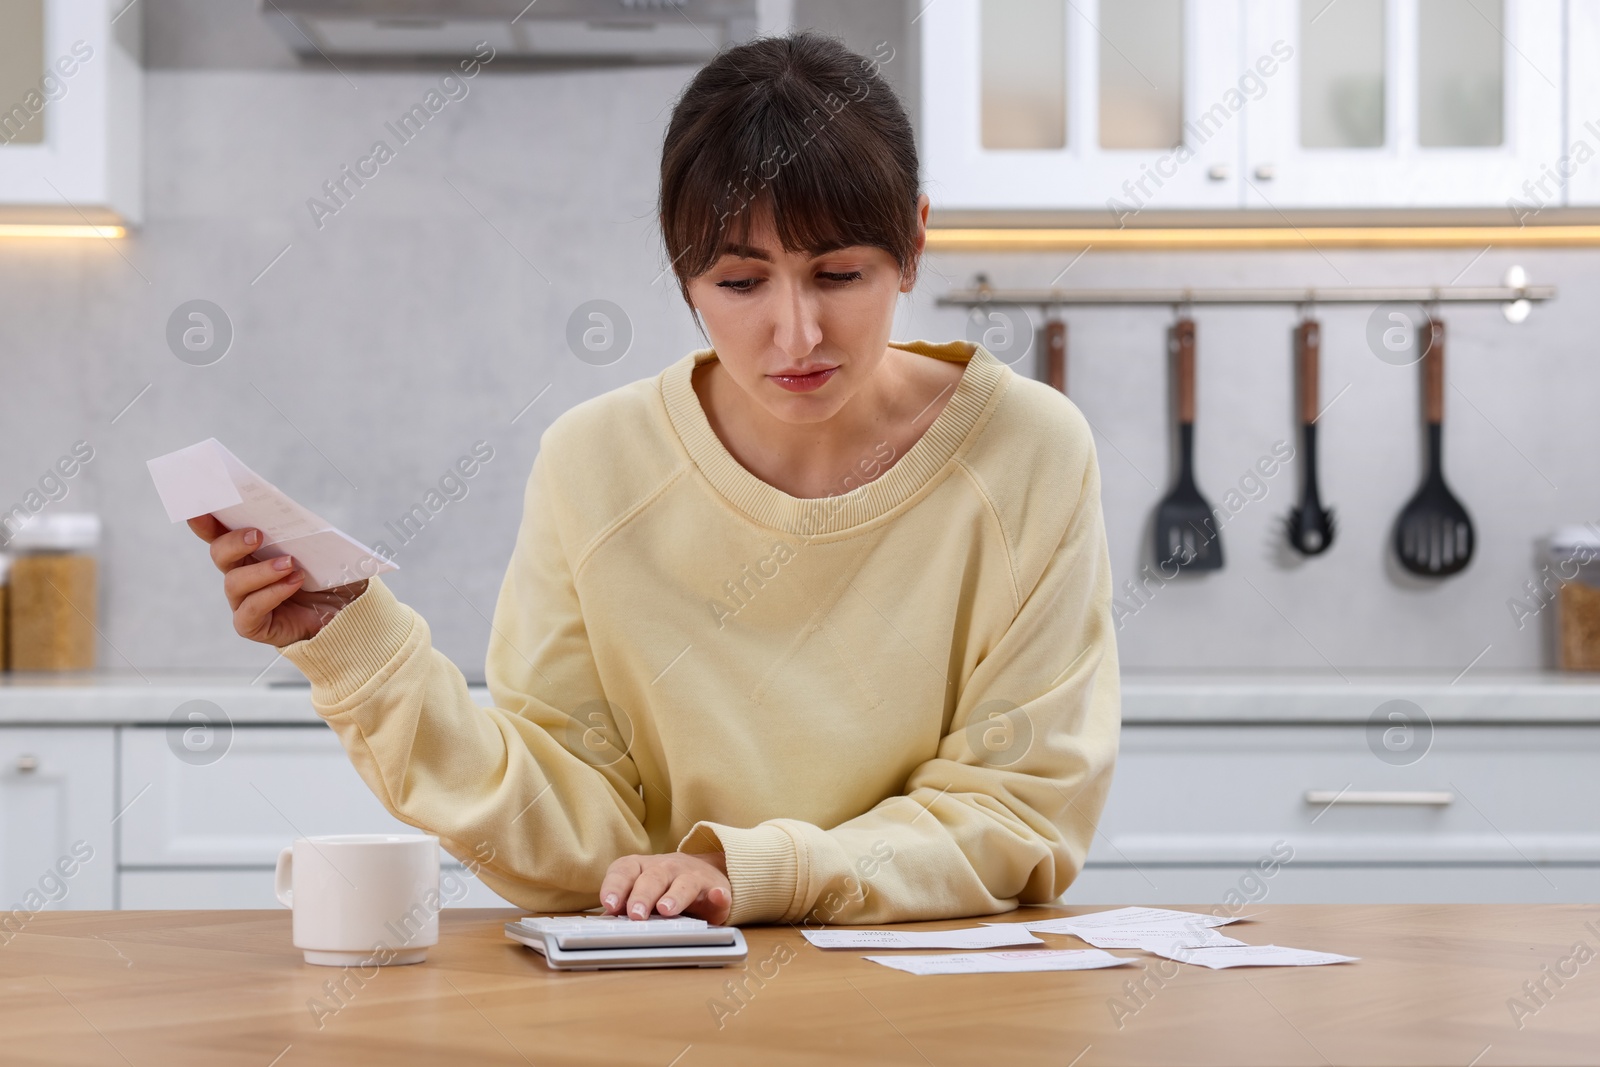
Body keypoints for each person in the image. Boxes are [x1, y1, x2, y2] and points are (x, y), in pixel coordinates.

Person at [188, 32, 1120, 927]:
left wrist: (745, 869)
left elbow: (1017, 814)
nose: (796, 336)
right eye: (741, 284)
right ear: (683, 276)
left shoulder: (1030, 450)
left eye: (839, 273)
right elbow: (572, 834)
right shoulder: (593, 462)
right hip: (672, 991)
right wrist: (356, 645)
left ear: (913, 242)